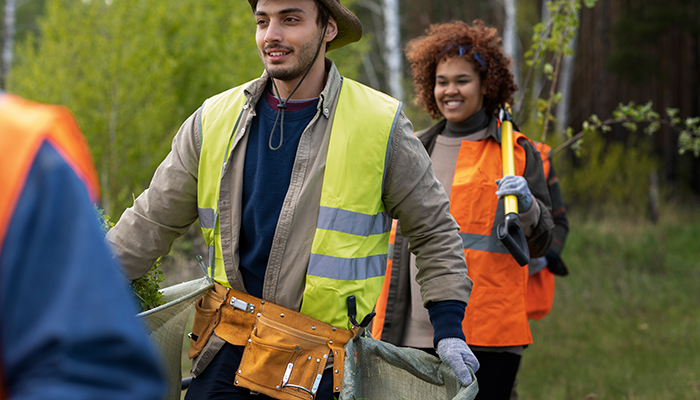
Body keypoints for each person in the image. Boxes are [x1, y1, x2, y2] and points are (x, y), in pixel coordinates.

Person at [105, 1, 478, 399]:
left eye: (291, 19)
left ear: (328, 28)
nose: (272, 35)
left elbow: (434, 230)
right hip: (224, 346)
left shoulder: (379, 123)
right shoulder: (214, 119)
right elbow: (149, 222)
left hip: (322, 365)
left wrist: (449, 328)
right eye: (262, 21)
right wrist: (82, 283)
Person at [372, 20, 554, 400]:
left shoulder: (516, 153)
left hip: (489, 333)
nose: (450, 90)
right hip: (412, 331)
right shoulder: (415, 148)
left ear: (486, 85)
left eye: (462, 80)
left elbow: (540, 246)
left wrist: (529, 206)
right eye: (441, 81)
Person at [0, 92, 166, 399]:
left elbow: (93, 374)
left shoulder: (20, 151)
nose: (271, 39)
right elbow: (152, 218)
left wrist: (98, 283)